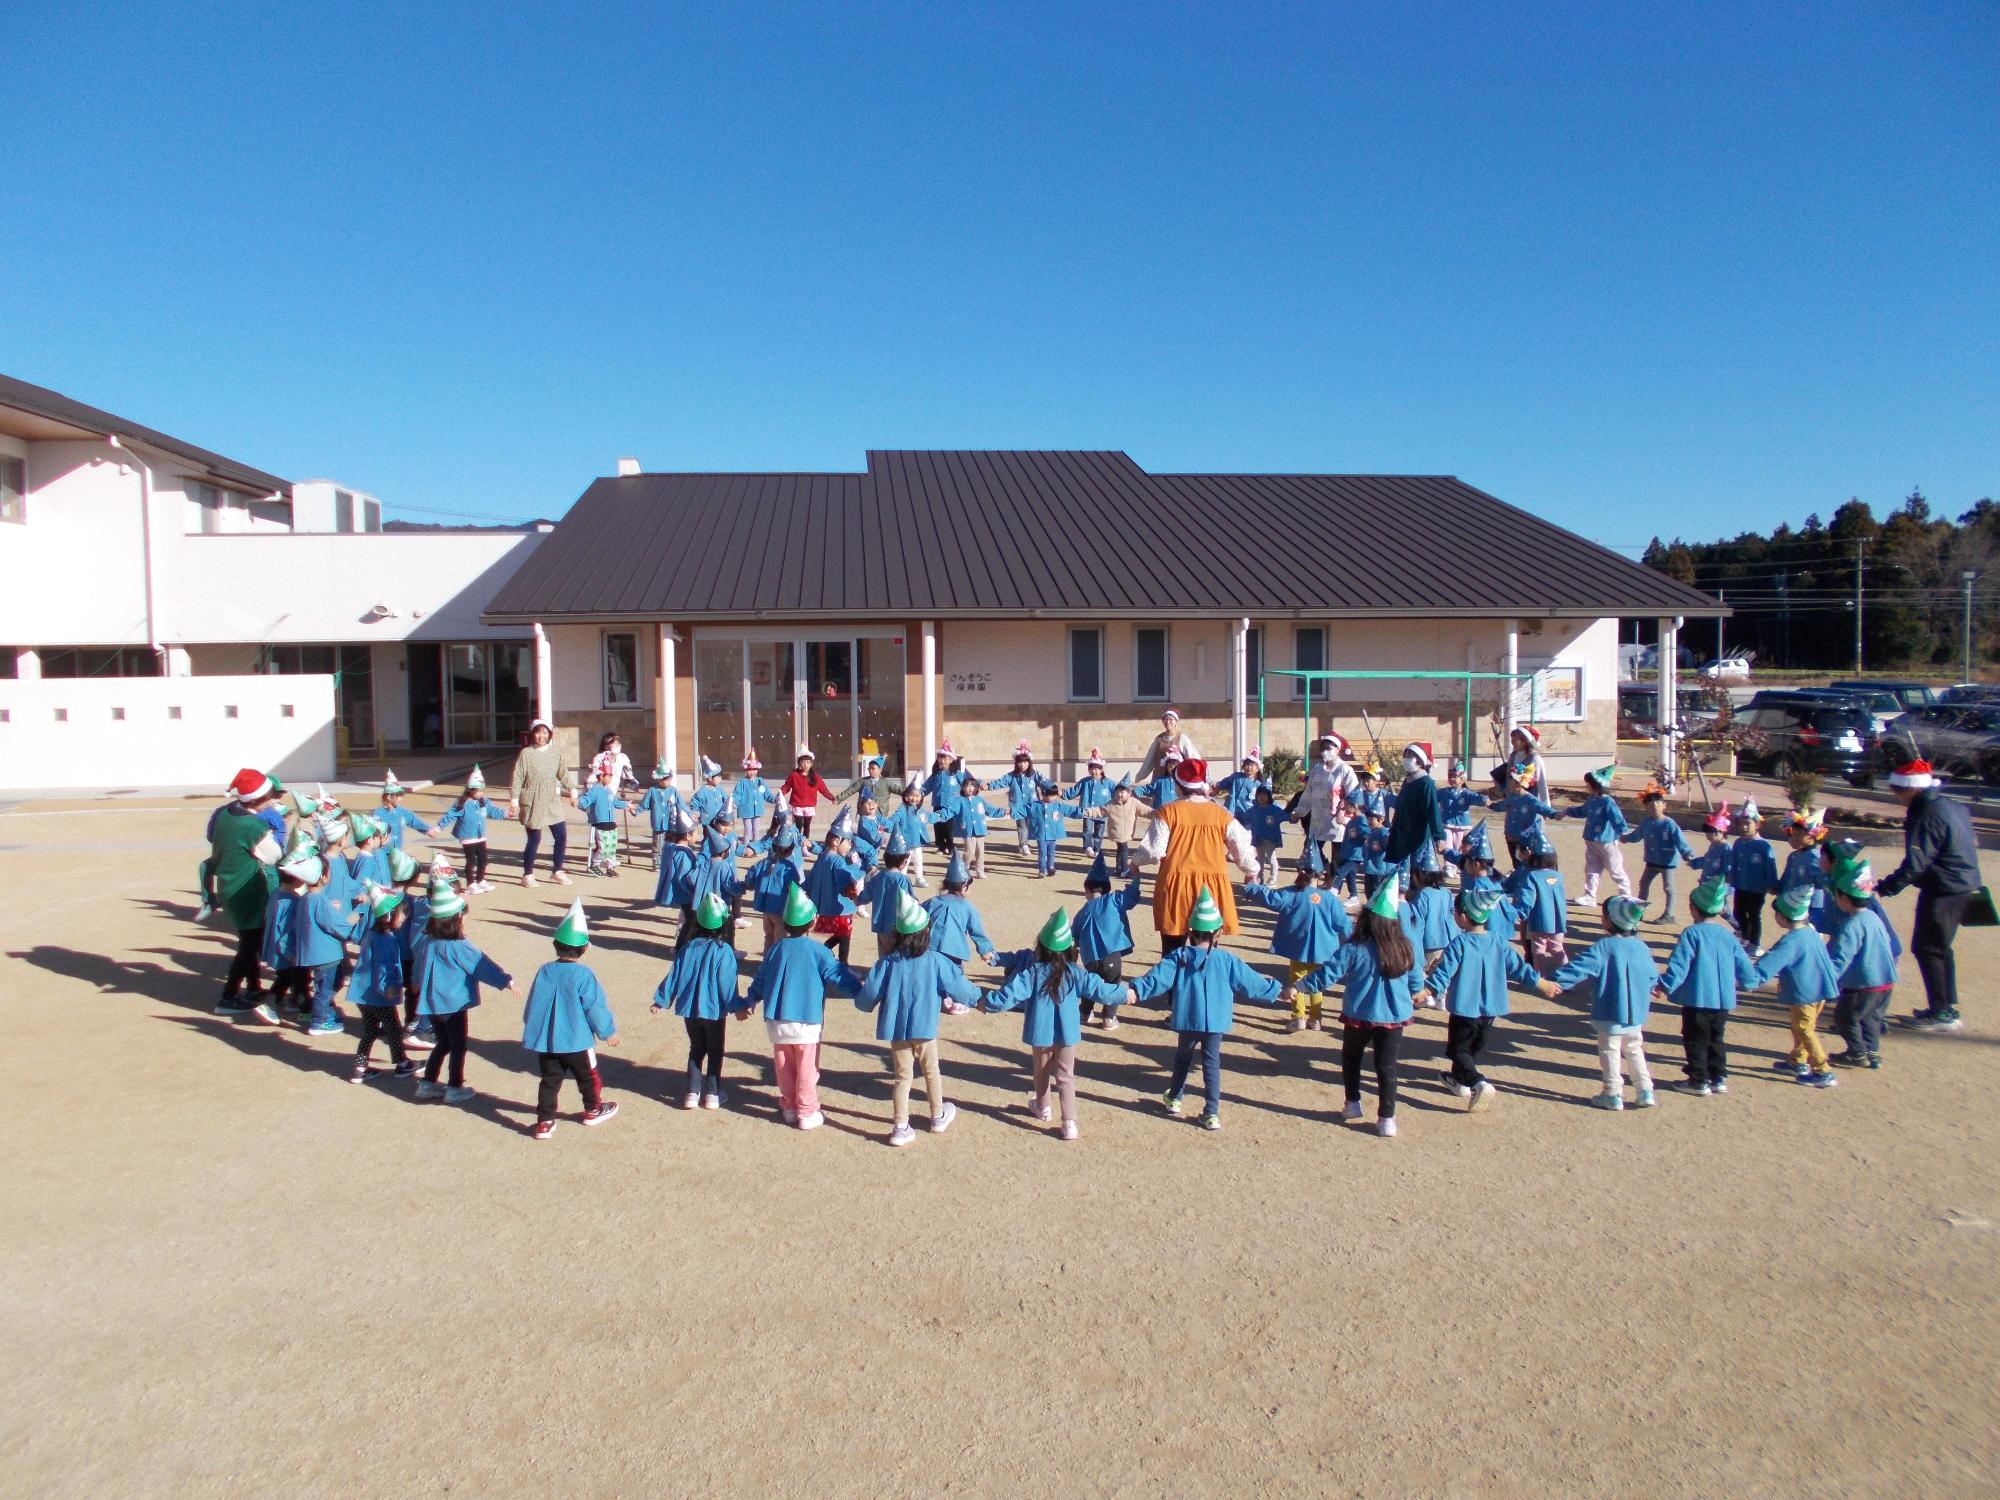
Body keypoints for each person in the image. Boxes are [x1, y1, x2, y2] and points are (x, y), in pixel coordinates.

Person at [1128, 887, 1282, 1131]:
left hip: (1189, 1018)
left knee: (1182, 1059)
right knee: (1212, 1064)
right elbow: (1252, 983)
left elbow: (1157, 979)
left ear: (1190, 932)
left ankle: (1175, 1099)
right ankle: (1211, 1112)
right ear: (1219, 932)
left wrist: (1136, 990)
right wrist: (1276, 990)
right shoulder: (1228, 960)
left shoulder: (1179, 956)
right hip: (1216, 1023)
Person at [981, 909, 1127, 1141]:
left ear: (1041, 946)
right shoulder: (1076, 973)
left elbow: (1009, 995)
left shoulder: (1032, 972)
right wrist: (1126, 994)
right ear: (1070, 948)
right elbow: (1102, 990)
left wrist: (986, 1003)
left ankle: (1043, 1106)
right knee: (1065, 1075)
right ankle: (1069, 1123)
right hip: (1068, 1032)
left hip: (1040, 1031)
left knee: (1041, 1071)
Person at [1416, 887, 1558, 1109]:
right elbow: (1520, 969)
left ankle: (1477, 1082)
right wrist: (1542, 984)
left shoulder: (1459, 943)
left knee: (1457, 1049)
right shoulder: (1499, 942)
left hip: (1465, 1007)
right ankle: (1459, 1080)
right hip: (1491, 1009)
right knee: (1471, 1048)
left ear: (1463, 916)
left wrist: (1427, 991)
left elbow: (1444, 972)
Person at [855, 896, 979, 1147]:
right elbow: (959, 987)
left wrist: (863, 1002)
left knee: (903, 1077)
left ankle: (900, 1126)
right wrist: (980, 999)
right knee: (932, 1072)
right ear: (926, 933)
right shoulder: (935, 960)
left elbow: (867, 996)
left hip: (897, 1030)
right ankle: (937, 1115)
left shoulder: (887, 963)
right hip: (925, 1028)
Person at [1299, 884, 1419, 1138]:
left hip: (1359, 1014)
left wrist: (1300, 986)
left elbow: (1327, 974)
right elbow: (1416, 978)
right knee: (1387, 1068)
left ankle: (1352, 1103)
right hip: (1395, 1015)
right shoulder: (1405, 947)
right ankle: (1387, 1118)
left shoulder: (1354, 949)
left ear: (1366, 920)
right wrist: (1419, 991)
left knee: (1351, 1059)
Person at [741, 884, 865, 1128]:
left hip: (776, 1018)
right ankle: (807, 1111)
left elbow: (761, 979)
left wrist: (750, 1000)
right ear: (813, 922)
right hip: (807, 1018)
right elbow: (838, 975)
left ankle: (788, 1106)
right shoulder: (819, 951)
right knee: (807, 1067)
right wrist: (861, 992)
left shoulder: (775, 949)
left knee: (784, 1065)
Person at [1874, 758, 1981, 1031]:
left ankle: (1942, 1012)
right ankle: (1945, 1006)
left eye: (1897, 790)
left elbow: (1917, 863)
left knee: (1929, 948)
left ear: (1911, 789)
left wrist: (1886, 887)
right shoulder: (1951, 805)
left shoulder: (1925, 813)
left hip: (1944, 887)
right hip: (1962, 884)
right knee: (1939, 948)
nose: (1896, 796)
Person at [1130, 757, 1259, 952]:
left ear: (1179, 785)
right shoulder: (1221, 813)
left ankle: (1174, 982)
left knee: (1172, 950)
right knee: (1207, 949)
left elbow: (1155, 849)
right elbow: (1240, 846)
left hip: (1176, 885)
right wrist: (1252, 870)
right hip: (1211, 887)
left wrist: (1136, 861)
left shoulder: (1168, 811)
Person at [1547, 895, 1660, 1110]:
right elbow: (1651, 975)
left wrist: (1553, 981)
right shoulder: (1641, 947)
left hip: (1610, 1009)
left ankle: (1612, 1093)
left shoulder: (1603, 947)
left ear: (1608, 920)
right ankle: (1645, 1090)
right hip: (1636, 1011)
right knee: (1635, 1049)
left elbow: (1579, 968)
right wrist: (1654, 986)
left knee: (1610, 1051)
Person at [520, 899, 621, 1139]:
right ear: (585, 948)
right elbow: (594, 1007)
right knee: (588, 1077)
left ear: (555, 945)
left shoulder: (545, 970)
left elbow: (533, 1003)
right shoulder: (584, 975)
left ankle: (544, 1122)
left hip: (548, 1041)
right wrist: (607, 1031)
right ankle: (593, 1109)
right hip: (577, 1040)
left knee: (549, 1081)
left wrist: (533, 1028)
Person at [412, 878, 515, 1103]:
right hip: (453, 1004)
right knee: (459, 1046)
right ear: (457, 919)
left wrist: (415, 984)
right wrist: (504, 980)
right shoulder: (459, 945)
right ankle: (454, 1086)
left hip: (432, 1004)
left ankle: (427, 1083)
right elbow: (480, 965)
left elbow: (419, 967)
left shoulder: (429, 942)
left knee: (443, 1044)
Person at [1654, 878, 1759, 1097]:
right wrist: (1750, 982)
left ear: (1693, 908)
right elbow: (1743, 963)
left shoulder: (1691, 934)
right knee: (1716, 1038)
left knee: (1695, 1039)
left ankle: (1698, 1080)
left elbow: (1679, 965)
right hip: (1723, 1000)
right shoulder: (1728, 936)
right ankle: (1718, 1077)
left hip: (1697, 998)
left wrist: (1664, 986)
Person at [651, 892, 741, 1109]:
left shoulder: (687, 949)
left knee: (696, 1048)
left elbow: (674, 976)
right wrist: (737, 1006)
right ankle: (712, 1093)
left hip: (689, 1009)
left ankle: (692, 1092)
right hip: (714, 1011)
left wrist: (661, 1000)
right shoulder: (724, 951)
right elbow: (727, 984)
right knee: (715, 1050)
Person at [208, 768, 285, 1018]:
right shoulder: (252, 825)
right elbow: (274, 855)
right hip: (247, 890)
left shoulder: (225, 814)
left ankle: (253, 988)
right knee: (249, 945)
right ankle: (228, 996)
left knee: (248, 941)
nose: (273, 802)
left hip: (229, 886)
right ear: (256, 800)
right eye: (270, 797)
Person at [1750, 887, 1841, 1088]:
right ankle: (1798, 1059)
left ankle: (1822, 1070)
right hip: (1820, 989)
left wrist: (1750, 979)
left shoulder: (1791, 941)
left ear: (1783, 916)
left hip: (1804, 991)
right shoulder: (1811, 932)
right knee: (1802, 1025)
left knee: (1804, 1028)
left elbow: (1770, 962)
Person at [1827, 861, 1898, 1068]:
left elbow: (1841, 957)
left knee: (1845, 1017)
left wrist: (1827, 979)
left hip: (1863, 983)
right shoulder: (1873, 918)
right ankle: (1872, 1052)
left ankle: (1857, 1052)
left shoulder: (1851, 925)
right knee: (1872, 1019)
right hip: (1885, 981)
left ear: (1844, 898)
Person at [347, 886, 415, 1084]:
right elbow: (383, 968)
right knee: (393, 1029)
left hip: (362, 995)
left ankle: (360, 1069)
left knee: (369, 1032)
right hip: (379, 997)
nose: (403, 918)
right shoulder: (387, 940)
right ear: (389, 916)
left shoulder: (371, 934)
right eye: (401, 915)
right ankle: (402, 1063)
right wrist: (388, 988)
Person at [1073, 852, 1142, 1031]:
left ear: (1087, 891)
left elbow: (1074, 933)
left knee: (1090, 984)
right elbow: (1132, 895)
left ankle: (1084, 1013)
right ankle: (1109, 1018)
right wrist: (1137, 877)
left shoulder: (1084, 910)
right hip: (1112, 955)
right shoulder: (1114, 900)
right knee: (1113, 985)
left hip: (1090, 958)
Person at [510, 718, 575, 888]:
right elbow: (518, 777)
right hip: (532, 799)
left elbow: (563, 774)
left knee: (561, 836)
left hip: (552, 800)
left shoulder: (555, 752)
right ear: (533, 734)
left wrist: (573, 790)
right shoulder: (526, 753)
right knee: (534, 838)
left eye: (545, 732)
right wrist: (514, 801)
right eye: (538, 732)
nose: (541, 736)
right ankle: (528, 874)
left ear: (549, 734)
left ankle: (557, 871)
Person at [804, 808, 865, 965]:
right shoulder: (838, 861)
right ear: (837, 841)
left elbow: (811, 877)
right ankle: (841, 961)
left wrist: (804, 890)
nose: (850, 845)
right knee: (845, 934)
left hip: (824, 904)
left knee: (842, 933)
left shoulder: (823, 856)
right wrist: (858, 873)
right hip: (840, 906)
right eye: (848, 841)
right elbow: (844, 882)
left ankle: (828, 953)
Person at [1626, 784, 1695, 923]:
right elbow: (1637, 835)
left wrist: (1687, 854)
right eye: (1650, 806)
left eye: (1658, 804)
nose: (1654, 807)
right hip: (1652, 860)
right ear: (1646, 808)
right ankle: (1639, 911)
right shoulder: (1646, 822)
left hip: (1667, 862)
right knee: (1644, 883)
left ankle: (1669, 915)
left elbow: (1680, 841)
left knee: (1668, 888)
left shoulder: (1670, 824)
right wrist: (1626, 838)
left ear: (1664, 806)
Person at [1565, 765, 1631, 906]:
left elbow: (1617, 818)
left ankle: (1626, 895)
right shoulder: (1592, 800)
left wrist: (1623, 832)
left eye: (1588, 783)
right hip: (1591, 839)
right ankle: (1590, 895)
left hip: (1606, 841)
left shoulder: (1608, 802)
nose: (1586, 786)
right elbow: (1582, 811)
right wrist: (1566, 811)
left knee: (1615, 869)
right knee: (1592, 868)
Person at [439, 765, 506, 893]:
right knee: (471, 860)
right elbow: (450, 816)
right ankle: (470, 883)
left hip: (480, 836)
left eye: (482, 790)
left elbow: (493, 810)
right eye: (479, 791)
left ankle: (481, 880)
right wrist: (438, 827)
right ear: (470, 790)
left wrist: (505, 814)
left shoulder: (483, 802)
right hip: (467, 837)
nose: (481, 793)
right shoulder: (462, 803)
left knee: (483, 859)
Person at [1385, 741, 1446, 872]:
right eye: (1405, 756)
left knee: (1415, 872)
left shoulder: (1426, 784)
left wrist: (1439, 837)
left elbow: (1433, 811)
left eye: (1410, 756)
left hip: (1417, 836)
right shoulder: (1407, 782)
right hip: (1401, 834)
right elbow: (1400, 807)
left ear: (1419, 761)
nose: (1406, 759)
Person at [1729, 800, 1779, 955]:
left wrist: (1772, 884)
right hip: (1740, 885)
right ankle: (1745, 937)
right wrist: (1730, 879)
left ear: (1757, 825)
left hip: (1757, 888)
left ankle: (1755, 943)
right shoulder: (1738, 843)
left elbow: (1770, 867)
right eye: (1741, 824)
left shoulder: (1764, 846)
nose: (1744, 827)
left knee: (1754, 915)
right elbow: (1733, 862)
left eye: (1748, 824)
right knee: (1738, 912)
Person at [857, 831, 917, 959]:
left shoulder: (878, 877)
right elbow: (911, 901)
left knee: (883, 953)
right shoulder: (903, 880)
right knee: (898, 954)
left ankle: (883, 974)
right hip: (898, 925)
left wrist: (858, 899)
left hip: (881, 923)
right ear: (904, 862)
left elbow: (866, 895)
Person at [634, 760, 687, 869]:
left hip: (671, 823)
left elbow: (681, 804)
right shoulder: (652, 791)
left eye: (670, 778)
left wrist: (690, 813)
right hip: (658, 823)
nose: (669, 781)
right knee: (658, 844)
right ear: (659, 779)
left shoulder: (673, 790)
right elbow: (644, 804)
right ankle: (657, 863)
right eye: (666, 779)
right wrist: (635, 811)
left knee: (671, 844)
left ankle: (670, 862)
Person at [953, 775, 1007, 880]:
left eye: (972, 786)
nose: (970, 788)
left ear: (976, 788)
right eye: (967, 786)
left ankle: (979, 870)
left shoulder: (979, 799)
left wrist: (1003, 812)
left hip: (980, 828)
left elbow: (990, 810)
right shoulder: (959, 800)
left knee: (980, 851)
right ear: (963, 788)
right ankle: (964, 868)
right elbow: (952, 810)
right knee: (969, 851)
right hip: (967, 830)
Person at [1024, 779, 1080, 879]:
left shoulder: (1058, 806)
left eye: (1055, 795)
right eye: (1051, 795)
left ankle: (1051, 867)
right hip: (1041, 834)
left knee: (1051, 852)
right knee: (1042, 852)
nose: (1053, 797)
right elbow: (1023, 810)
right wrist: (1011, 811)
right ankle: (1042, 870)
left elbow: (1071, 810)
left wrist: (1085, 812)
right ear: (1044, 794)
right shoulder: (1034, 805)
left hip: (1052, 834)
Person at [994, 743, 1041, 858]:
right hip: (1018, 805)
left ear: (1029, 762)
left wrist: (1053, 790)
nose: (1022, 764)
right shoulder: (1012, 776)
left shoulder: (1035, 775)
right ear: (1016, 763)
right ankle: (1023, 845)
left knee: (1030, 825)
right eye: (1020, 762)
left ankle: (1026, 843)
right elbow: (1000, 782)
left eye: (1025, 762)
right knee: (1021, 825)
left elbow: (1045, 782)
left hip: (1032, 804)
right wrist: (988, 786)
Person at [1068, 748, 1117, 856]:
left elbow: (1117, 794)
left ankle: (1097, 849)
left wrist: (1123, 799)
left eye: (1097, 769)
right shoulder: (1085, 782)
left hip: (1102, 812)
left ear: (1101, 769)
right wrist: (1062, 793)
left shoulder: (1109, 783)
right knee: (1087, 830)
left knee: (1099, 833)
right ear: (1089, 770)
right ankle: (1088, 847)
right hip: (1087, 810)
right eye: (1092, 769)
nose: (1094, 771)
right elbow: (1073, 791)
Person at [577, 765, 623, 876]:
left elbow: (616, 802)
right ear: (602, 776)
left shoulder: (609, 790)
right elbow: (585, 799)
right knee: (603, 847)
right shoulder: (594, 790)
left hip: (611, 822)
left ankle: (609, 867)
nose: (611, 778)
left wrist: (626, 805)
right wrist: (579, 802)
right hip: (600, 823)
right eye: (609, 776)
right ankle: (595, 864)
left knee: (612, 847)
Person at [780, 747, 835, 839]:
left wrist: (832, 797)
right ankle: (797, 842)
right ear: (799, 763)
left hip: (809, 806)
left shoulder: (815, 777)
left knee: (807, 826)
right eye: (803, 761)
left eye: (808, 762)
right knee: (798, 825)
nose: (805, 764)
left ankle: (805, 843)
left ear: (811, 764)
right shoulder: (794, 775)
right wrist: (780, 794)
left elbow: (823, 789)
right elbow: (786, 787)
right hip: (797, 805)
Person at [1134, 709, 1199, 784]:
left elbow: (1193, 758)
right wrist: (1140, 776)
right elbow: (1149, 759)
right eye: (1165, 719)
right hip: (1159, 780)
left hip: (1177, 780)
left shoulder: (1182, 738)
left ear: (1176, 722)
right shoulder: (1159, 739)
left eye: (1171, 719)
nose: (1168, 722)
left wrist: (1197, 775)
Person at [922, 743, 963, 857]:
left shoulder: (956, 774)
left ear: (951, 759)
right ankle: (941, 845)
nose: (941, 761)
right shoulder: (936, 775)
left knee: (948, 827)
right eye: (939, 758)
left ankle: (950, 846)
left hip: (951, 806)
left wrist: (963, 792)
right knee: (938, 825)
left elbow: (966, 783)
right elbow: (926, 786)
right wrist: (919, 793)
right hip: (938, 804)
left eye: (944, 758)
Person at [1099, 777, 1146, 877]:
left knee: (1120, 849)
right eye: (1118, 792)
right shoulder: (1111, 804)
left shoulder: (1134, 803)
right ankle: (1124, 869)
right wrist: (1085, 812)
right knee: (1124, 849)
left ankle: (1118, 868)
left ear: (1129, 793)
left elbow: (1145, 810)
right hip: (1119, 832)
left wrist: (1157, 813)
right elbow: (1099, 811)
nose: (1120, 794)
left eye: (1122, 792)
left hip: (1124, 832)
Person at [732, 751, 773, 837]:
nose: (752, 772)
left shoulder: (760, 781)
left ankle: (755, 847)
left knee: (756, 829)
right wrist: (734, 803)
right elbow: (737, 794)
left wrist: (774, 799)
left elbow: (766, 793)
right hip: (746, 810)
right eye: (750, 770)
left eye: (754, 769)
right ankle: (746, 846)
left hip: (757, 810)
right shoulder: (742, 783)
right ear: (746, 770)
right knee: (748, 829)